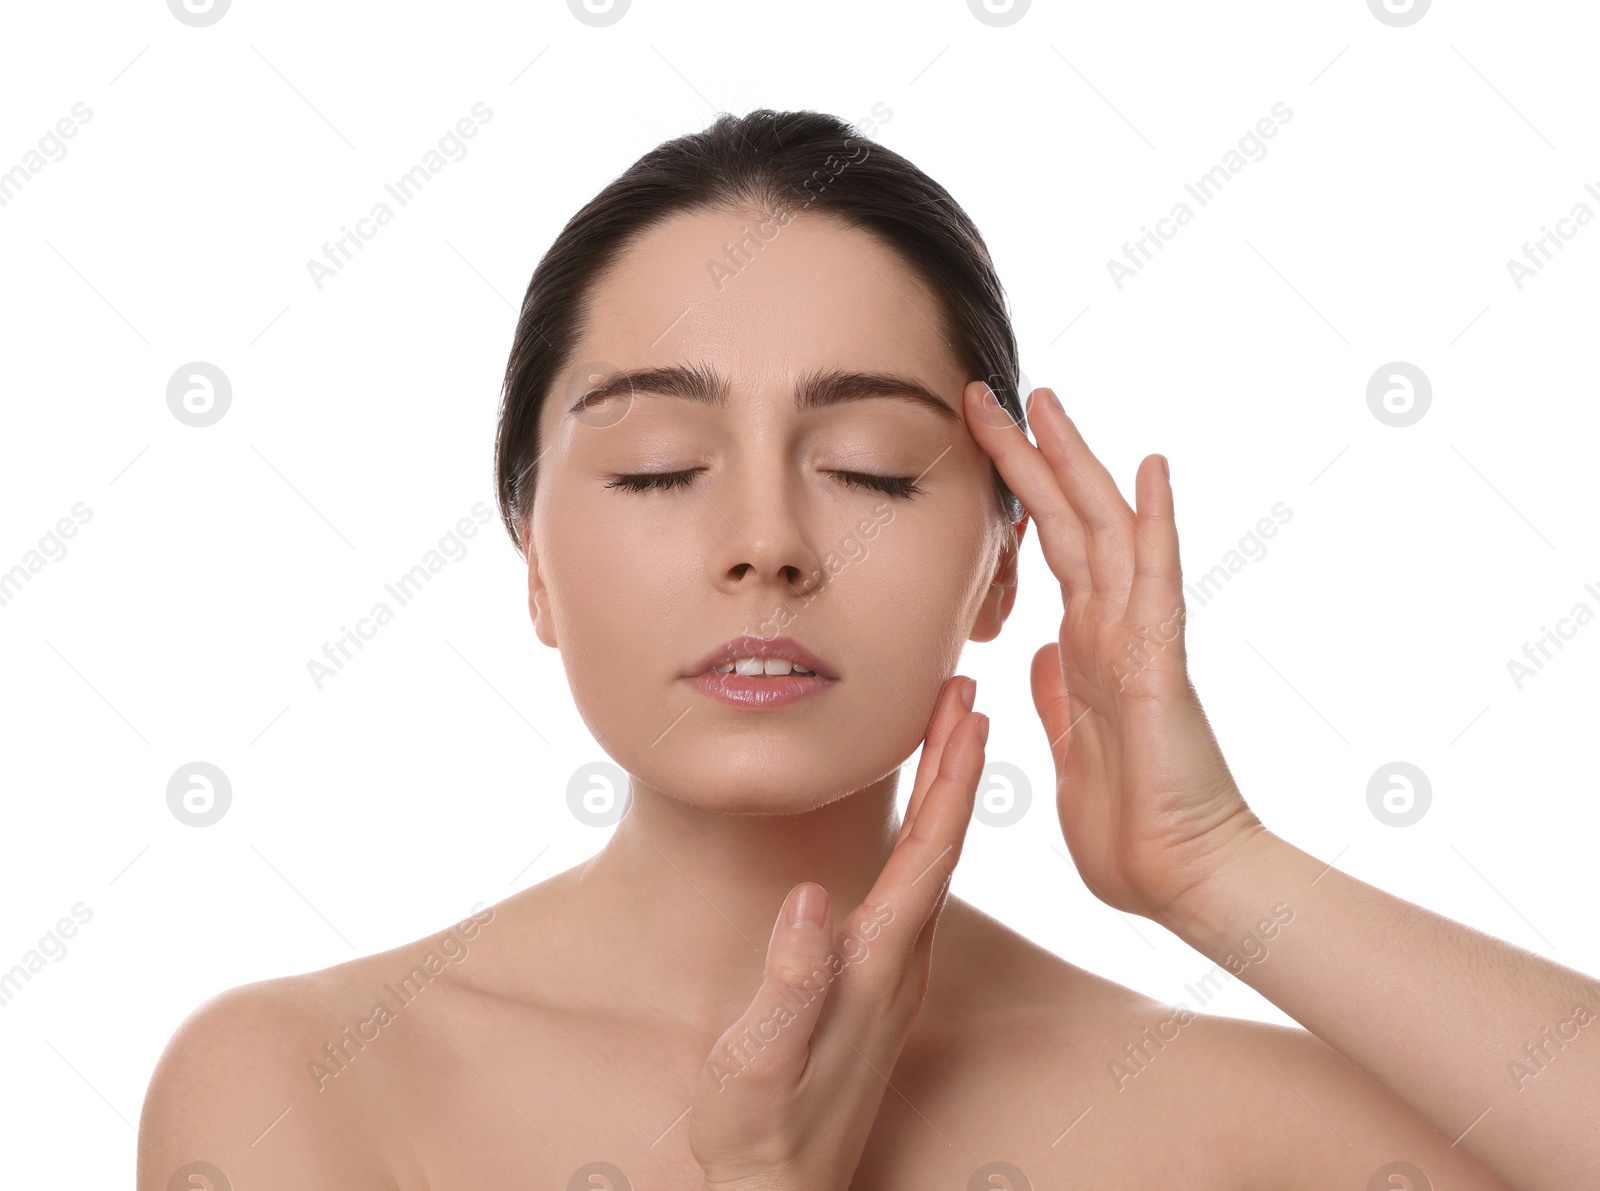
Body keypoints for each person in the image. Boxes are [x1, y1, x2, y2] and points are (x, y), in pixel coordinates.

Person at [137, 109, 1595, 1191]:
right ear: (531, 558)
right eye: (656, 466)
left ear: (1001, 564)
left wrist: (1215, 864)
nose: (765, 541)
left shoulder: (1207, 1119)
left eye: (873, 470)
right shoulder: (295, 1091)